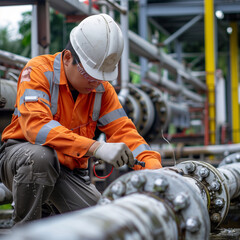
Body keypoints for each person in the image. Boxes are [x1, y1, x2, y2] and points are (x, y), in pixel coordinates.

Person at [0, 13, 162, 226]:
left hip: (68, 171)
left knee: (100, 226)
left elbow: (125, 133)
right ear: (68, 58)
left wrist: (157, 172)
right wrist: (96, 147)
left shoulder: (102, 90)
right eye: (89, 75)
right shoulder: (38, 71)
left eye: (101, 77)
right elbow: (36, 128)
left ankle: (50, 211)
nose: (95, 83)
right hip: (22, 158)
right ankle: (26, 231)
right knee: (40, 158)